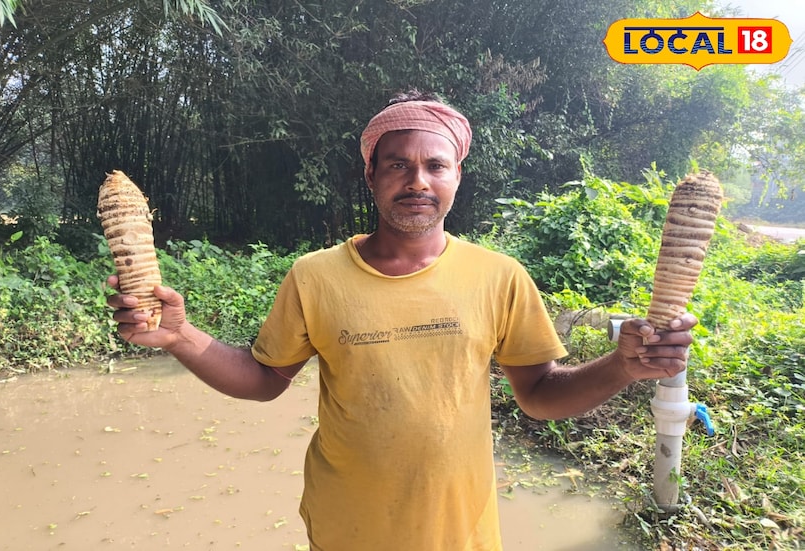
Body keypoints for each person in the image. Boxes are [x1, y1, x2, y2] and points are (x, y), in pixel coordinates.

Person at [106, 90, 696, 551]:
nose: (417, 181)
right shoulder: (314, 276)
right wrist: (182, 336)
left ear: (456, 176)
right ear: (372, 177)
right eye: (397, 165)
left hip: (458, 528)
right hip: (347, 524)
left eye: (435, 165)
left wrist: (623, 365)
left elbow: (539, 395)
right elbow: (265, 380)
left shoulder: (499, 277)